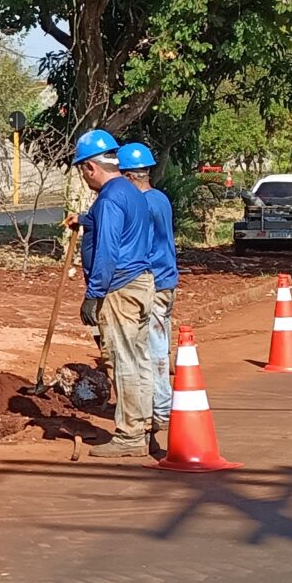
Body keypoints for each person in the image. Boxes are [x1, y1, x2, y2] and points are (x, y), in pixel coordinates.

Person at [68, 128, 163, 460]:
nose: (85, 178)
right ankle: (146, 425)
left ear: (91, 168)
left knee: (122, 362)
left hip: (120, 289)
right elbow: (113, 228)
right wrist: (82, 219)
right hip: (143, 282)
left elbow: (107, 250)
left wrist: (93, 294)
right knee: (139, 360)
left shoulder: (109, 199)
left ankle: (129, 435)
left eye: (83, 171)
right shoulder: (131, 192)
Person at [119, 140, 177, 454]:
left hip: (154, 280)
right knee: (161, 342)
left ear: (129, 177)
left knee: (153, 346)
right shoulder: (160, 198)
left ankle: (162, 410)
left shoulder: (141, 204)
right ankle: (161, 405)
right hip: (167, 277)